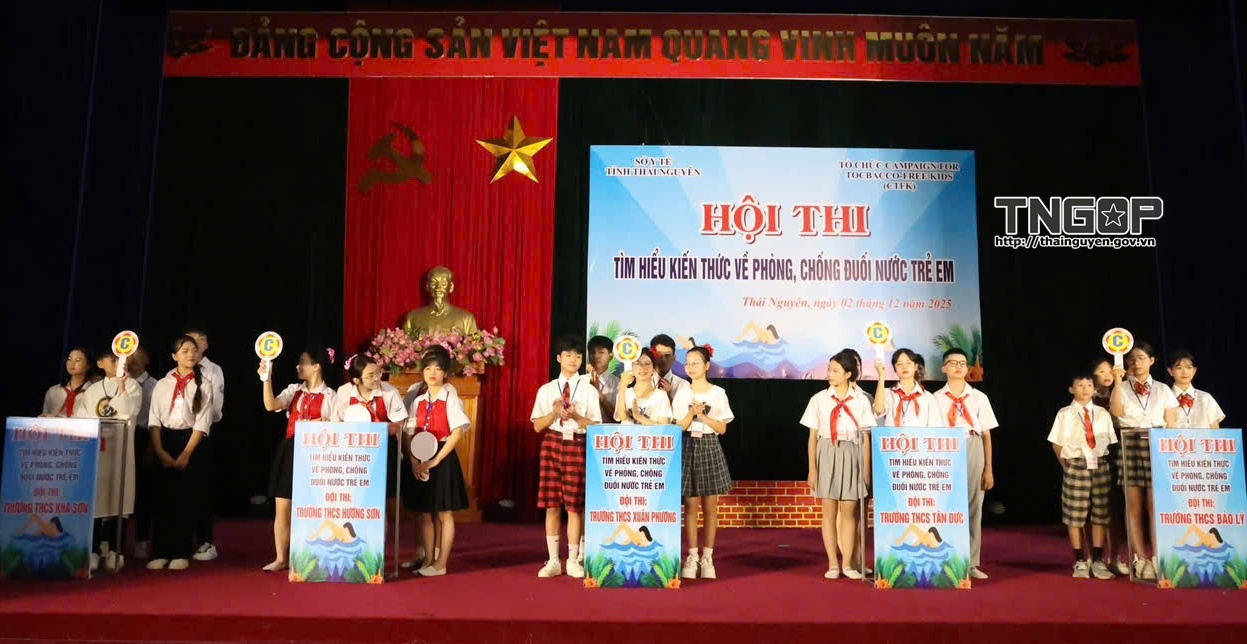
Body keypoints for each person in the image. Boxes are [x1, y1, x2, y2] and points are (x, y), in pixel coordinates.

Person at [530, 335, 602, 579]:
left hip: (578, 444)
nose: (573, 360)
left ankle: (572, 559)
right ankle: (553, 560)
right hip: (552, 442)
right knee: (551, 505)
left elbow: (596, 425)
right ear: (559, 358)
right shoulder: (547, 389)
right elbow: (537, 426)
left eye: (578, 356)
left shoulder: (589, 390)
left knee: (574, 505)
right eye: (568, 355)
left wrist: (576, 417)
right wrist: (554, 412)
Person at [260, 347, 337, 573]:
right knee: (283, 506)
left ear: (316, 366)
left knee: (313, 508)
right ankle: (281, 558)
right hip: (291, 450)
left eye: (303, 362)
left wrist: (320, 425)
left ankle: (312, 557)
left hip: (318, 456)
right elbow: (270, 405)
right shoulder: (294, 390)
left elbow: (338, 427)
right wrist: (266, 379)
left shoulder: (331, 396)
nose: (298, 366)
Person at [1109, 342, 1178, 580]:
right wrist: (1118, 381)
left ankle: (1158, 556)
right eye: (1132, 359)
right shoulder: (1122, 387)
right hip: (1130, 441)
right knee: (1134, 505)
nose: (1136, 363)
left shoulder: (1163, 389)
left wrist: (1169, 452)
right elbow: (1116, 412)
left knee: (1155, 505)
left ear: (1151, 361)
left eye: (1141, 358)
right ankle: (1139, 558)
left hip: (1157, 442)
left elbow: (1171, 423)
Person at [803, 350, 874, 580]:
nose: (829, 374)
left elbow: (865, 438)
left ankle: (848, 564)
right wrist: (812, 469)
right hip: (827, 451)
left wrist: (865, 471)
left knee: (849, 511)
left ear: (848, 374)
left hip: (852, 452)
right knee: (829, 511)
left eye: (835, 370)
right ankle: (833, 563)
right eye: (829, 369)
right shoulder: (819, 399)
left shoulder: (861, 400)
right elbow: (812, 437)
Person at [145, 336, 214, 571]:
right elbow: (154, 419)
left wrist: (186, 453)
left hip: (190, 441)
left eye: (194, 350)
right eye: (184, 351)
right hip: (165, 440)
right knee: (163, 497)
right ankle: (161, 551)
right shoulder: (163, 384)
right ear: (174, 356)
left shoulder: (204, 384)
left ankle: (181, 551)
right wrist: (159, 450)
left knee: (186, 498)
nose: (190, 355)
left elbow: (202, 423)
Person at [932, 348, 999, 580]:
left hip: (972, 446)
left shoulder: (979, 397)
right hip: (944, 449)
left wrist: (988, 468)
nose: (959, 367)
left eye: (962, 363)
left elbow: (986, 435)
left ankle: (970, 562)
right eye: (953, 363)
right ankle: (946, 559)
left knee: (973, 506)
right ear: (944, 368)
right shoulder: (935, 399)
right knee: (946, 507)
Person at [406, 351, 471, 576]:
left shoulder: (451, 399)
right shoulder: (418, 401)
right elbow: (409, 433)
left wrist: (436, 460)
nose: (432, 373)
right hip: (421, 457)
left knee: (444, 513)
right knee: (425, 512)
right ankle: (428, 560)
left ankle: (441, 563)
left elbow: (457, 432)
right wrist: (414, 461)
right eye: (428, 368)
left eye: (437, 369)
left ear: (445, 373)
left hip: (442, 458)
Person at [76, 349, 142, 570]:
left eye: (122, 360)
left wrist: (122, 387)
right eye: (113, 360)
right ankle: (94, 549)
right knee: (96, 500)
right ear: (100, 363)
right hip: (98, 451)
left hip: (121, 449)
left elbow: (127, 412)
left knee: (118, 498)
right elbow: (82, 417)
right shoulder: (93, 390)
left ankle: (116, 549)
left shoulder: (132, 386)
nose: (119, 363)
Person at [1048, 371, 1117, 580]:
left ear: (1094, 389)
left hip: (1099, 464)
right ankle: (1079, 560)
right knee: (1075, 515)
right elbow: (1056, 443)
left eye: (1089, 385)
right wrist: (1066, 465)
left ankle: (1097, 559)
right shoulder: (1065, 413)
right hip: (1076, 464)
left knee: (1100, 513)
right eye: (1080, 385)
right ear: (1071, 389)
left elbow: (1110, 442)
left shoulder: (1103, 413)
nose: (1085, 389)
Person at [672, 345, 733, 580]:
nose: (690, 367)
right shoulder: (682, 392)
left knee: (710, 506)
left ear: (707, 365)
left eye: (696, 363)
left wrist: (704, 416)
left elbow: (723, 428)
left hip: (708, 444)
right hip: (687, 444)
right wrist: (691, 414)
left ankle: (708, 557)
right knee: (690, 505)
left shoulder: (717, 393)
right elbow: (679, 426)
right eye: (688, 363)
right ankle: (692, 555)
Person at [333, 354, 408, 540]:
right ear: (356, 380)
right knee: (357, 500)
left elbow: (398, 424)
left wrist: (374, 431)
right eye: (370, 376)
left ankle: (377, 547)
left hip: (384, 451)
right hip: (354, 454)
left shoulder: (389, 392)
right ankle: (353, 543)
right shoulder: (344, 392)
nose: (376, 379)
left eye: (378, 373)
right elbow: (337, 423)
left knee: (379, 502)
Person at [181, 329, 225, 562]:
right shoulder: (173, 374)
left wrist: (197, 422)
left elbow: (214, 409)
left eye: (199, 340)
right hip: (178, 432)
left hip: (204, 431)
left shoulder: (213, 371)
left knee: (202, 487)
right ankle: (180, 539)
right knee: (179, 488)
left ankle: (205, 540)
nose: (194, 346)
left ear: (206, 345)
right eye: (188, 343)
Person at [1090, 358, 1130, 575]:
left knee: (1115, 508)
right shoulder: (1087, 396)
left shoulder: (1122, 391)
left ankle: (1115, 557)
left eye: (1110, 370)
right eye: (1101, 371)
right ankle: (1092, 557)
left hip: (1117, 452)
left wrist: (1118, 383)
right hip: (1094, 455)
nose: (1107, 375)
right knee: (1095, 509)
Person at [127, 346, 159, 559]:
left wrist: (150, 449)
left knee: (144, 491)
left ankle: (142, 539)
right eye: (129, 354)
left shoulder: (155, 385)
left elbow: (155, 420)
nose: (132, 358)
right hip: (123, 435)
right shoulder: (120, 382)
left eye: (137, 353)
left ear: (146, 358)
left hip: (144, 436)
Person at [873, 348, 936, 426]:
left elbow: (935, 428)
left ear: (915, 366)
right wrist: (881, 376)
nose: (904, 367)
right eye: (899, 364)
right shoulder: (887, 393)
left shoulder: (928, 398)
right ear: (894, 369)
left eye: (908, 363)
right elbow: (878, 410)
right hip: (893, 434)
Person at [1167, 350, 1225, 429]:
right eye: (1179, 368)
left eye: (1189, 368)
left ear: (1194, 371)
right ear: (1170, 371)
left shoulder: (1205, 398)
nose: (1185, 372)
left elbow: (1215, 430)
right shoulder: (1165, 398)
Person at [614, 348, 673, 424]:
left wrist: (639, 417)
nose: (642, 367)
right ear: (632, 368)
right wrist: (622, 387)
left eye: (647, 363)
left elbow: (664, 427)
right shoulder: (625, 393)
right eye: (638, 364)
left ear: (653, 369)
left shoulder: (661, 395)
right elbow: (622, 417)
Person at [41, 347, 92, 417]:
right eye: (69, 359)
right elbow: (44, 418)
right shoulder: (53, 391)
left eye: (78, 360)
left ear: (88, 365)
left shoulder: (92, 392)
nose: (72, 363)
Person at [587, 335, 619, 423]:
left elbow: (618, 419)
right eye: (592, 352)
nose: (596, 356)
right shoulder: (581, 381)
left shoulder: (618, 384)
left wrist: (600, 396)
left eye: (601, 352)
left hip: (610, 430)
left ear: (611, 356)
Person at [650, 334, 689, 403]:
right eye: (658, 355)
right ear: (651, 356)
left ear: (674, 357)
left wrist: (669, 395)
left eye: (667, 355)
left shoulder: (683, 385)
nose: (663, 359)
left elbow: (684, 409)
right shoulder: (642, 382)